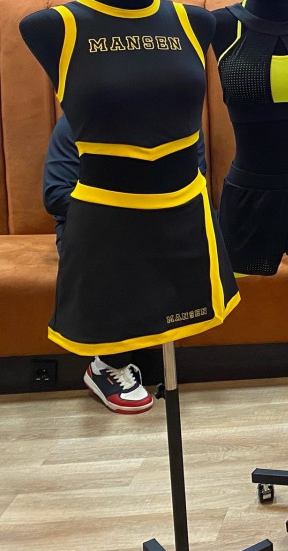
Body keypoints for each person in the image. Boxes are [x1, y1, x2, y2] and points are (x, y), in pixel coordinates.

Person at [42, 114, 207, 414]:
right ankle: (107, 365)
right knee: (123, 249)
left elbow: (194, 178)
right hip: (94, 230)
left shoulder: (180, 118)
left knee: (214, 236)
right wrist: (125, 213)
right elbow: (55, 193)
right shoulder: (79, 117)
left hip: (163, 224)